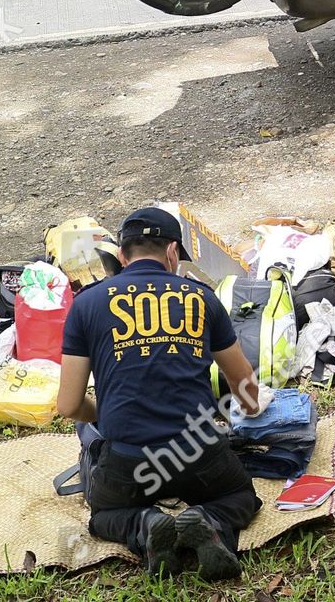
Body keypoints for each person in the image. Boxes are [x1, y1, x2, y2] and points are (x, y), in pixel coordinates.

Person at [57, 207, 265, 580]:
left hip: (128, 461)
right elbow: (243, 383)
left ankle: (146, 524)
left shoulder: (86, 304)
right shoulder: (201, 297)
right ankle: (206, 519)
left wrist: (104, 414)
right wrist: (249, 413)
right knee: (239, 499)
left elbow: (69, 405)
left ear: (122, 256)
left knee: (104, 515)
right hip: (197, 451)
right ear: (172, 252)